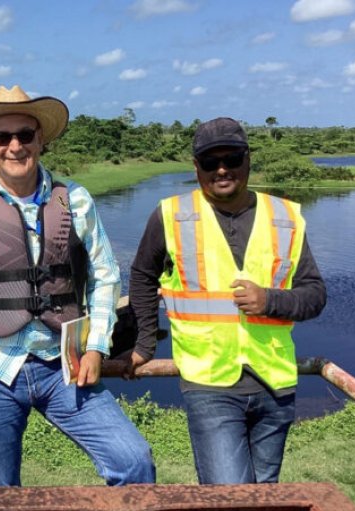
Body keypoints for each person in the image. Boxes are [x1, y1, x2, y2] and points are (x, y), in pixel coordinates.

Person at [0, 85, 155, 488]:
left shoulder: (75, 199)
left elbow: (105, 276)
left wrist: (96, 347)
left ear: (41, 140)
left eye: (25, 135)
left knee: (132, 460)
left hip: (64, 364)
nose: (14, 146)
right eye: (2, 137)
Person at [128, 117, 326, 485]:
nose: (221, 170)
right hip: (209, 383)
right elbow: (142, 276)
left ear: (248, 159)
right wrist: (144, 342)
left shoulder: (284, 217)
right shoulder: (172, 215)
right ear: (196, 167)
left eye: (232, 159)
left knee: (263, 498)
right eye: (210, 162)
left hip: (274, 382)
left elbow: (314, 294)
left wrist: (269, 300)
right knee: (229, 495)